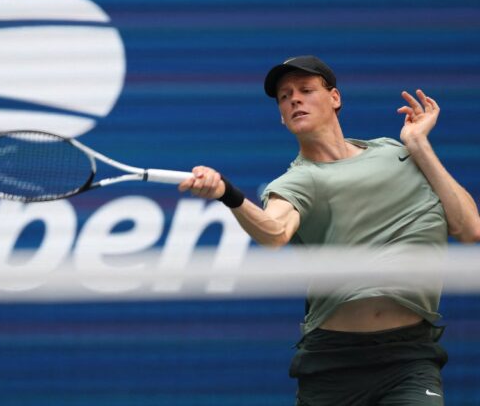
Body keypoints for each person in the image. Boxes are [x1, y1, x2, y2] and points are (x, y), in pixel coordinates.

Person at [178, 56, 480, 405]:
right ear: (281, 115)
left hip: (409, 357)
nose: (294, 99)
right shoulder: (297, 181)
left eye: (306, 90)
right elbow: (275, 233)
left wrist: (419, 145)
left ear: (335, 98)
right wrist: (227, 195)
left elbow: (470, 229)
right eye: (284, 97)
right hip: (332, 364)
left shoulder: (397, 153)